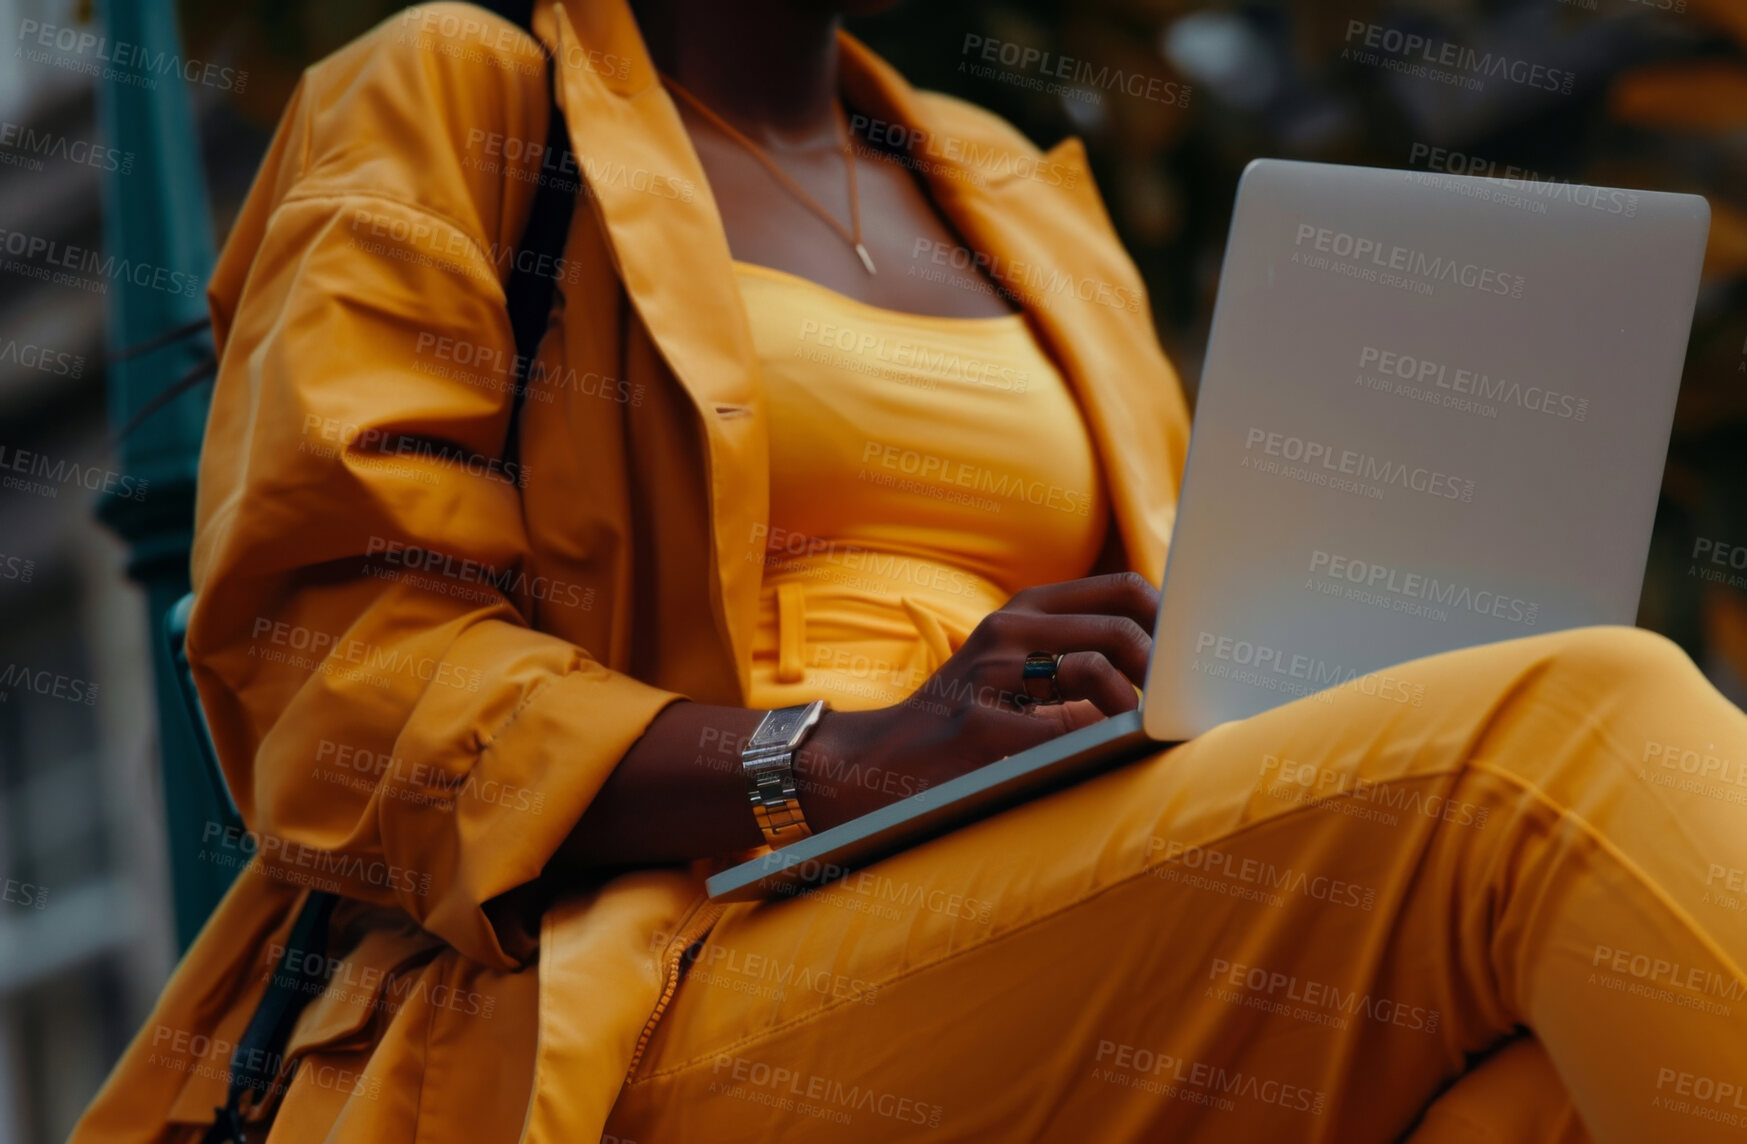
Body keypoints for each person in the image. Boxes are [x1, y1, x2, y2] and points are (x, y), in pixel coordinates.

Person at [73, 1, 1747, 1141]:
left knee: (1535, 1089)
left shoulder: (1012, 184)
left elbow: (1186, 627)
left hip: (1064, 900)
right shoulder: (455, 93)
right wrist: (838, 758)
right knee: (1575, 728)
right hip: (666, 971)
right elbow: (338, 671)